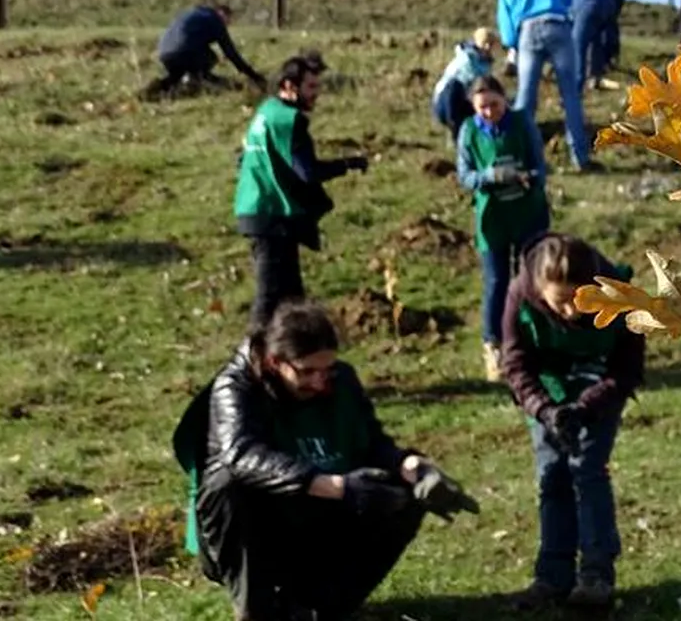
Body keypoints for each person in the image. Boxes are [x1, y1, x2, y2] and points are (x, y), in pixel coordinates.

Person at [172, 300, 481, 620]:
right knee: (228, 484)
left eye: (327, 369)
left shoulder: (342, 380)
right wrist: (336, 487)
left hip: (316, 516)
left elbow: (372, 442)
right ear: (276, 362)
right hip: (258, 528)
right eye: (307, 372)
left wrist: (415, 468)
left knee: (402, 496)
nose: (320, 382)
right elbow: (241, 454)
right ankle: (257, 611)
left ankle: (322, 608)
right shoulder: (237, 386)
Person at [500, 233, 644, 609]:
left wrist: (587, 407)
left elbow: (628, 369)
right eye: (560, 303)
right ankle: (552, 577)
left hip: (598, 392)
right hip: (546, 395)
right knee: (553, 478)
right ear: (539, 289)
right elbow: (514, 365)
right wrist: (545, 410)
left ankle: (597, 575)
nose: (571, 313)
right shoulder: (520, 295)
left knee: (589, 471)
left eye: (580, 301)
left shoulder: (620, 293)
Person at [233, 55, 370, 330]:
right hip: (272, 213)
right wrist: (348, 164)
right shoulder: (290, 121)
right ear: (289, 86)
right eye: (310, 87)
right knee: (271, 297)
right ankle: (250, 359)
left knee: (292, 297)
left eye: (317, 86)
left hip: (257, 208)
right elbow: (307, 173)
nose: (316, 94)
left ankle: (291, 357)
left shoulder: (267, 111)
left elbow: (244, 159)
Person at [456, 75, 551, 382]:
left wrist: (528, 176)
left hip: (528, 213)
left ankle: (533, 340)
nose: (489, 112)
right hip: (492, 218)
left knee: (531, 277)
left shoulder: (522, 122)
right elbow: (464, 175)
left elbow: (540, 166)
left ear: (503, 98)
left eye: (494, 105)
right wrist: (490, 176)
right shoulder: (468, 131)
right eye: (482, 108)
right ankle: (493, 346)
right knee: (496, 282)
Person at [497, 0, 599, 173]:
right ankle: (580, 157)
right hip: (558, 25)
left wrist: (513, 45)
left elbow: (506, 26)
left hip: (527, 31)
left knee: (525, 97)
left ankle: (519, 155)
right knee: (570, 94)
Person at [147, 2, 268, 97]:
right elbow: (231, 53)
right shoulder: (214, 19)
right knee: (211, 57)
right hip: (184, 50)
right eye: (228, 21)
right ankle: (198, 80)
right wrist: (255, 76)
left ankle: (156, 89)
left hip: (164, 53)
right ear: (222, 14)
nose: (227, 25)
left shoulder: (195, 14)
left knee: (176, 76)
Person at [431, 27, 497, 145]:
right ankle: (457, 136)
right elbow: (472, 85)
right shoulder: (466, 59)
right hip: (445, 102)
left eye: (490, 44)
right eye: (484, 43)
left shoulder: (485, 64)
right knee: (455, 88)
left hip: (464, 100)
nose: (487, 47)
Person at [570, 0, 619, 91]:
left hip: (587, 6)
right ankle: (595, 77)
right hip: (608, 1)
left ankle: (575, 88)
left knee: (578, 46)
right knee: (596, 41)